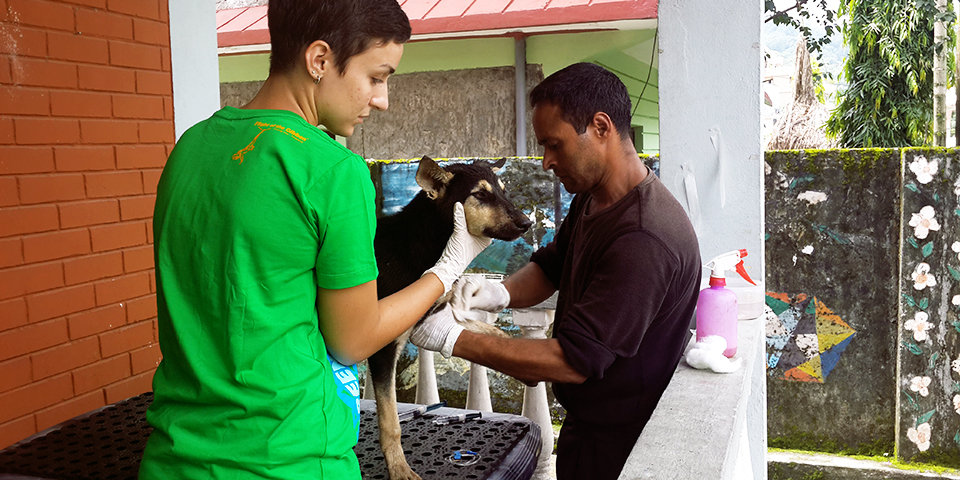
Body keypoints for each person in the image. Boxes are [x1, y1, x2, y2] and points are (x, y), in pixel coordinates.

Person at [138, 1, 491, 478]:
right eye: (376, 77)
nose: (383, 99)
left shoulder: (190, 149)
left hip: (175, 459)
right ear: (320, 60)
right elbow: (353, 341)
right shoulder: (333, 171)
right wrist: (446, 272)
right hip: (291, 458)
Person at [411, 62, 702, 480]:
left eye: (554, 144)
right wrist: (500, 294)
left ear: (601, 127)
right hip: (588, 428)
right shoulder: (595, 197)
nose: (546, 161)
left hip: (625, 448)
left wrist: (454, 338)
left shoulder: (643, 238)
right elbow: (553, 266)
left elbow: (571, 360)